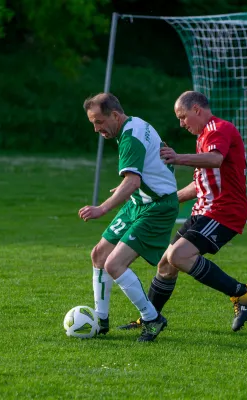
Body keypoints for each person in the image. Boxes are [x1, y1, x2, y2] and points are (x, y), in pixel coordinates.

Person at [118, 90, 247, 333]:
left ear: (197, 109)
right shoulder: (204, 136)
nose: (181, 124)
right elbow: (200, 184)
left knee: (179, 256)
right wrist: (161, 199)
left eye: (183, 117)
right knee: (166, 264)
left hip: (224, 211)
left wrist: (177, 158)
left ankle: (242, 293)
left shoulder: (219, 128)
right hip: (204, 210)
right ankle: (150, 318)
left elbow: (215, 160)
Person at [79, 92, 179, 342]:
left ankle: (152, 318)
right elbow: (162, 153)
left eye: (99, 122)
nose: (96, 129)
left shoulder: (130, 138)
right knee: (99, 255)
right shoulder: (137, 123)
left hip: (157, 207)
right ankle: (100, 321)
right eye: (92, 123)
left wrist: (102, 208)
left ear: (115, 115)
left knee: (114, 264)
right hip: (140, 201)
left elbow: (132, 181)